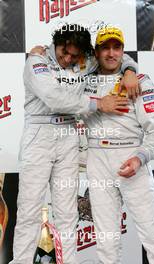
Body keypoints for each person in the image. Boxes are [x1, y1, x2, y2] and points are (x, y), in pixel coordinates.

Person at [9, 24, 139, 264]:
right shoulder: (37, 60)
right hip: (39, 134)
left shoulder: (84, 60)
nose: (68, 59)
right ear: (54, 44)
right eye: (63, 53)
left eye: (74, 56)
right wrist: (98, 104)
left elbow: (111, 56)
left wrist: (130, 69)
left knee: (68, 212)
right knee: (29, 210)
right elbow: (54, 97)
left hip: (69, 133)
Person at [83, 26, 154, 263]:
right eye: (105, 48)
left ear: (123, 50)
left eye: (117, 47)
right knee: (106, 239)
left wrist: (139, 158)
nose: (111, 53)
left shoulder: (140, 81)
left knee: (153, 236)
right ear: (96, 51)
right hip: (97, 159)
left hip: (132, 158)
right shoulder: (82, 82)